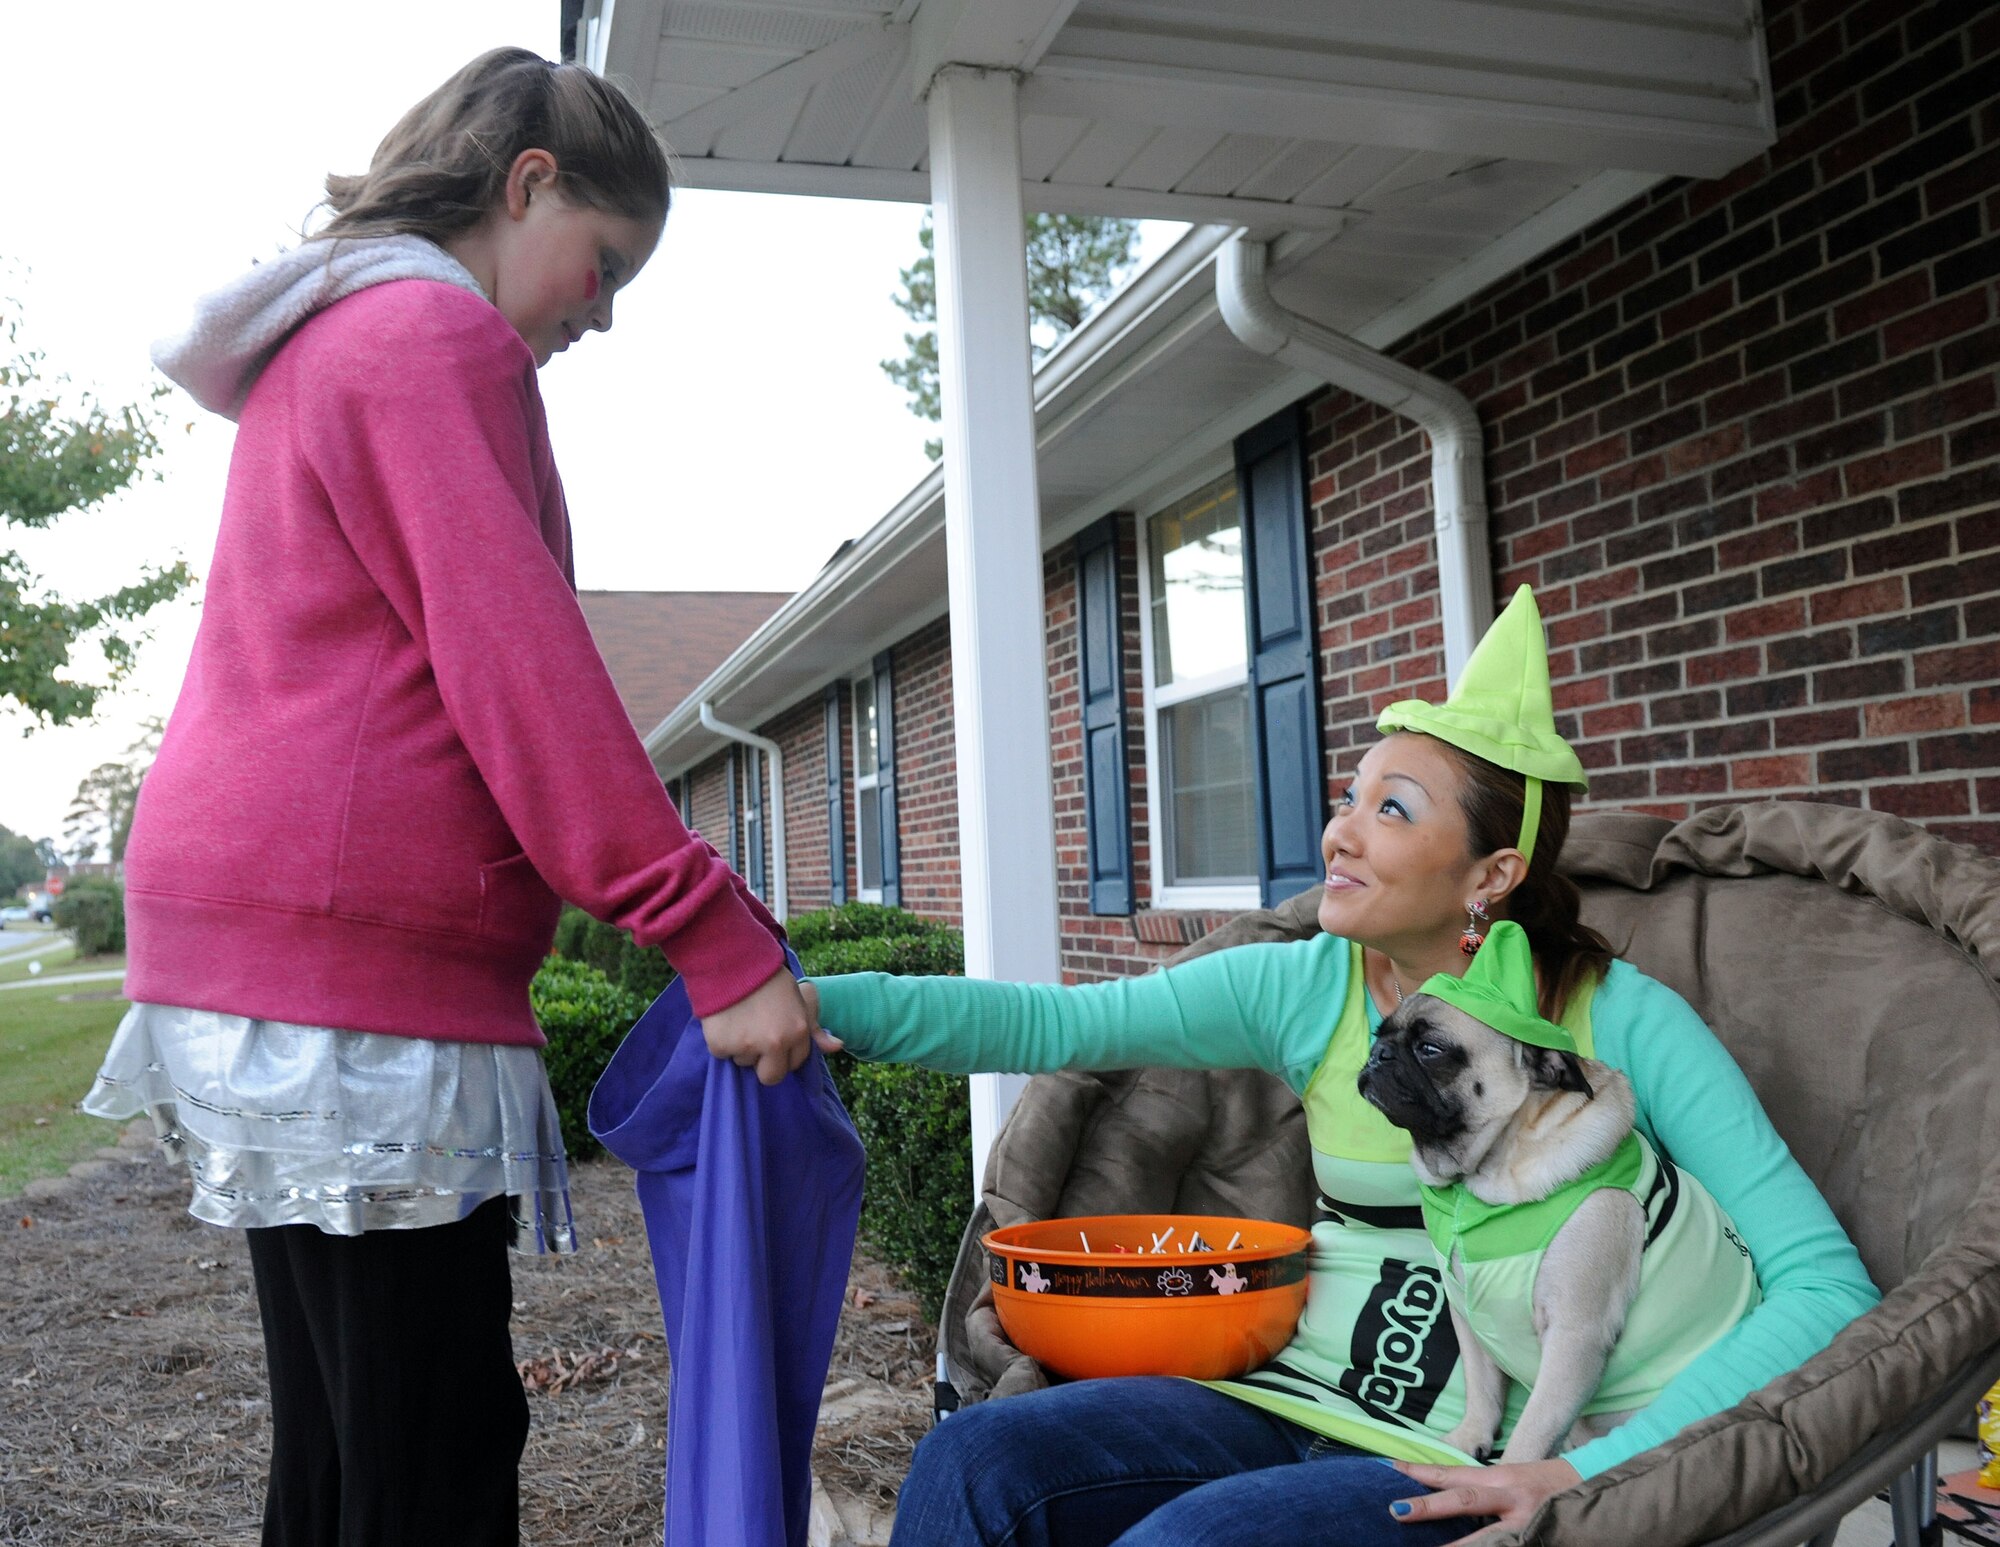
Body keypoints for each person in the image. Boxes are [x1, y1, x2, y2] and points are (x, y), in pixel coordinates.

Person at [81, 48, 815, 1547]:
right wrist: (714, 935)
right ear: (526, 183)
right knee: (433, 1455)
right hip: (356, 962)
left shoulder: (334, 338)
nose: (598, 314)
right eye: (602, 262)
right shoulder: (431, 339)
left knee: (350, 1444)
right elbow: (520, 672)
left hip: (260, 934)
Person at [803, 585, 1880, 1547]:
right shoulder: (1304, 984)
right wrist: (812, 1004)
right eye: (1350, 797)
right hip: (1283, 1395)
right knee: (972, 1458)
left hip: (1472, 1455)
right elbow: (1051, 1025)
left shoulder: (1616, 1023)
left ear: (1489, 873)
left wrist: (1581, 1474)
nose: (1339, 833)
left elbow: (1824, 1286)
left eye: (1390, 809)